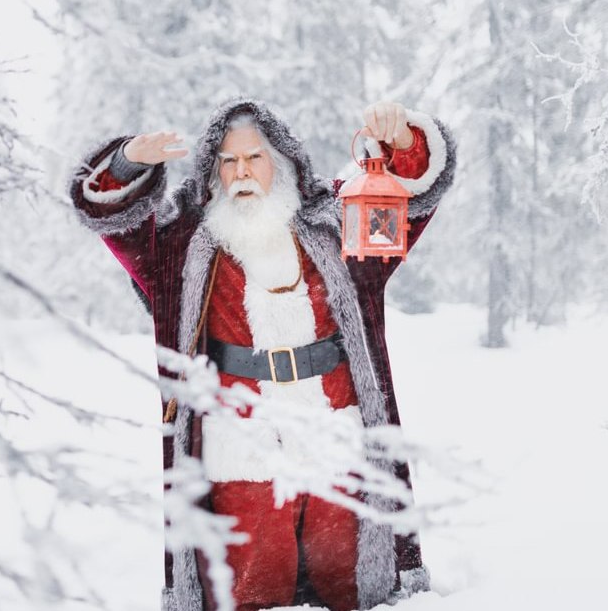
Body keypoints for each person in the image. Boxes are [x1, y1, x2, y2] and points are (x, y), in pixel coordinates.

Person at [67, 98, 457, 611]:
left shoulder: (335, 221)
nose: (241, 171)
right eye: (228, 162)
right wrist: (125, 164)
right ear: (213, 172)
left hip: (335, 433)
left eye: (253, 157)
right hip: (239, 448)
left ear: (283, 161)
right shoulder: (183, 241)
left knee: (356, 587)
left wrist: (406, 144)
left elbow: (408, 195)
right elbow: (112, 215)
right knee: (249, 591)